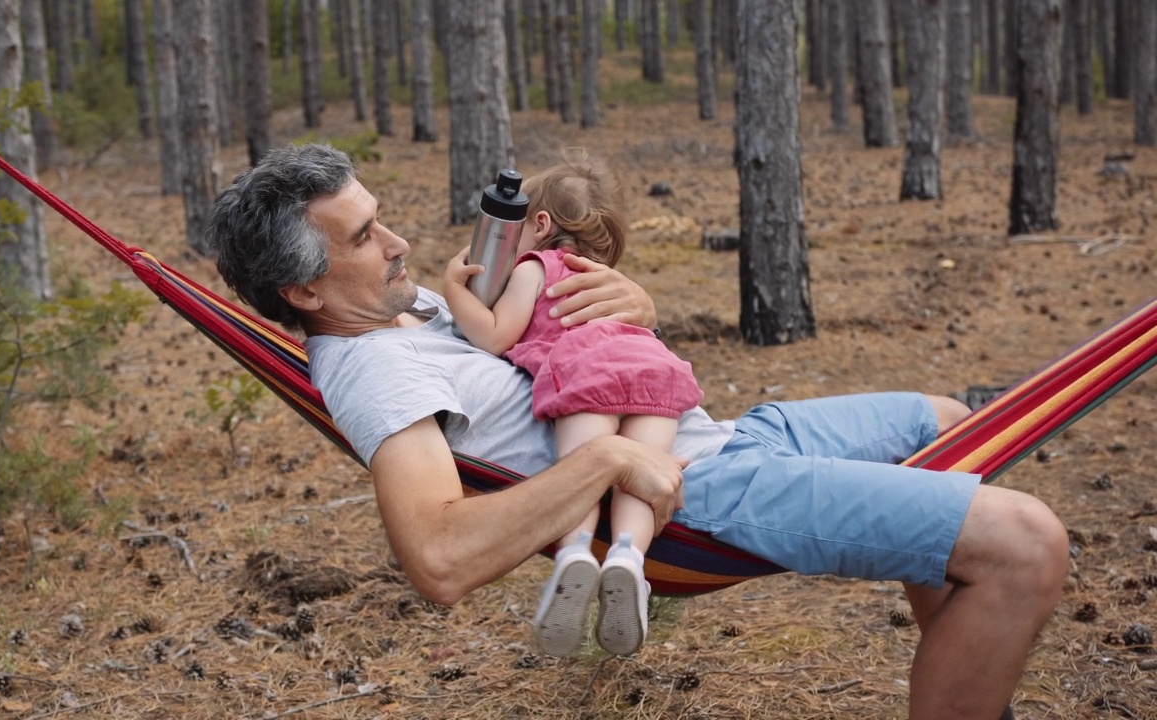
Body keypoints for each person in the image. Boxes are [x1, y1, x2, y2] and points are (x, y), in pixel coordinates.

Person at [206, 143, 1069, 720]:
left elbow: (554, 338)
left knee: (951, 425)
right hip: (689, 500)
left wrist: (633, 305)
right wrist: (614, 456)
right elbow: (437, 557)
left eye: (380, 216)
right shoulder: (372, 372)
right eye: (364, 236)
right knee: (1027, 543)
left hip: (724, 436)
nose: (396, 243)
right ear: (306, 292)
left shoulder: (410, 311)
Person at [441, 158, 702, 657]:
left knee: (583, 471)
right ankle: (629, 558)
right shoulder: (608, 282)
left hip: (586, 370)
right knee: (644, 476)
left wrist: (455, 287)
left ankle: (576, 554)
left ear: (539, 225)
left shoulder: (536, 267)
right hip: (652, 365)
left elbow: (495, 337)